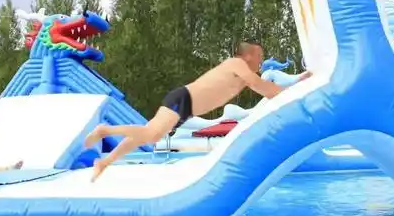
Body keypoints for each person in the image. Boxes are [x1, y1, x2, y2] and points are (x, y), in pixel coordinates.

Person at [85, 41, 313, 181]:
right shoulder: (237, 64)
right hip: (183, 99)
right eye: (259, 56)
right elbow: (261, 86)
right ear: (248, 55)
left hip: (186, 107)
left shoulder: (244, 74)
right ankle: (105, 130)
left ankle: (105, 162)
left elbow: (268, 87)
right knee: (152, 135)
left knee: (146, 134)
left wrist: (297, 82)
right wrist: (292, 92)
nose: (261, 60)